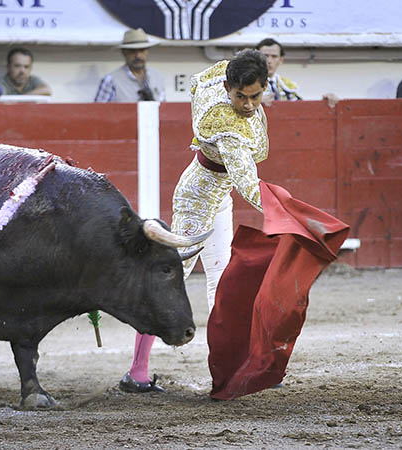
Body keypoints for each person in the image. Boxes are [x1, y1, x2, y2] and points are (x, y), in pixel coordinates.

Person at [119, 50, 269, 393]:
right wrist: (286, 211)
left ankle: (233, 366)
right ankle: (137, 371)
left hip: (217, 195)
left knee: (223, 280)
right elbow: (249, 185)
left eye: (255, 96)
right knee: (170, 280)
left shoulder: (219, 77)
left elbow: (206, 76)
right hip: (198, 201)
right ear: (229, 88)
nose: (247, 105)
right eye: (240, 97)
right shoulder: (228, 128)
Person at [255, 38, 338, 107]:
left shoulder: (285, 85)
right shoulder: (244, 82)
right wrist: (254, 103)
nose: (269, 61)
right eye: (265, 56)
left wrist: (323, 103)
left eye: (274, 56)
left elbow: (301, 108)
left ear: (281, 60)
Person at [94, 28, 165, 102]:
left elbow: (163, 109)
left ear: (147, 51)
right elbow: (98, 111)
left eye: (142, 50)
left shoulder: (157, 77)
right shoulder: (111, 80)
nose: (138, 55)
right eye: (132, 51)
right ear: (124, 53)